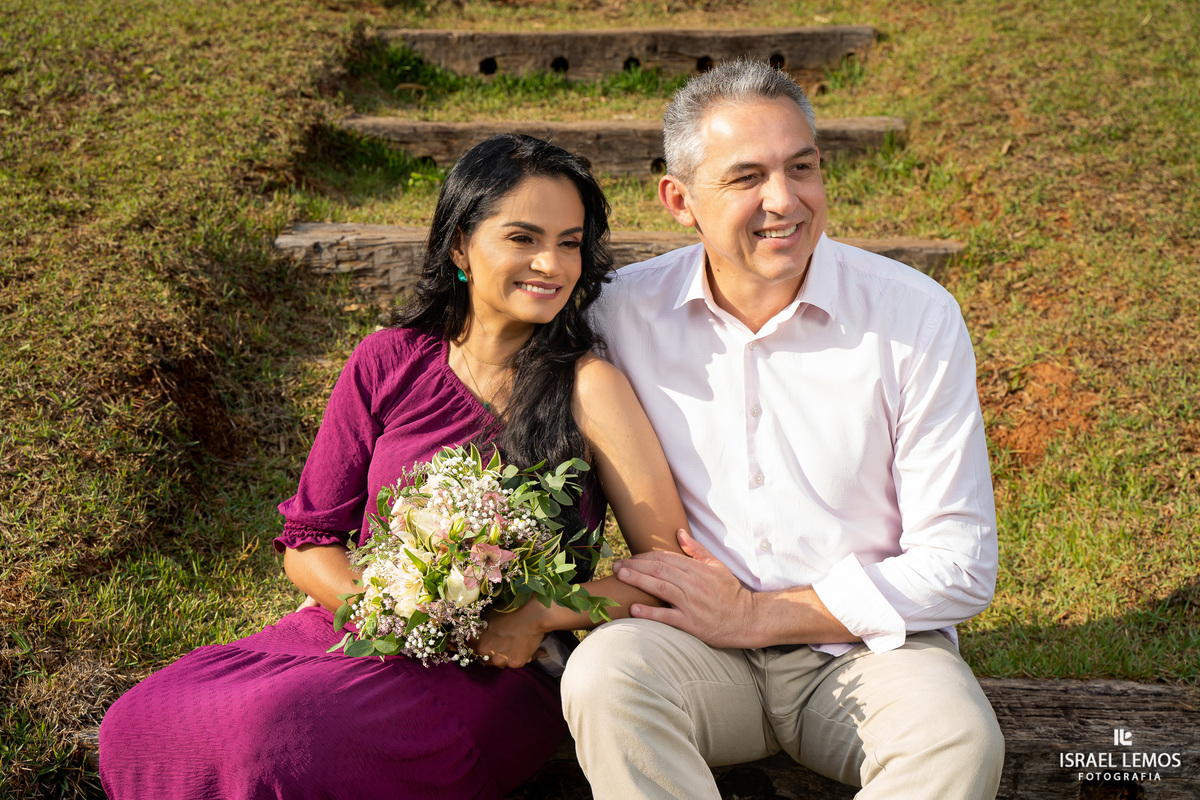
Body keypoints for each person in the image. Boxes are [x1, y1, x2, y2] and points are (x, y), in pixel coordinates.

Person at [99, 133, 689, 800]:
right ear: (461, 245)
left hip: (495, 665)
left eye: (570, 242)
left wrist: (536, 616)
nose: (550, 263)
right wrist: (390, 612)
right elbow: (309, 543)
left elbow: (666, 571)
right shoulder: (387, 361)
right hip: (353, 628)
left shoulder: (589, 388)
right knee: (139, 721)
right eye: (523, 238)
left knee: (285, 742)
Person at [560, 59, 1004, 799]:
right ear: (679, 199)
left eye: (803, 168)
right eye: (746, 178)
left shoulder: (914, 317)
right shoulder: (615, 315)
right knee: (605, 677)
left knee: (957, 738)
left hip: (867, 652)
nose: (785, 200)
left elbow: (959, 564)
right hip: (693, 648)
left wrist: (760, 616)